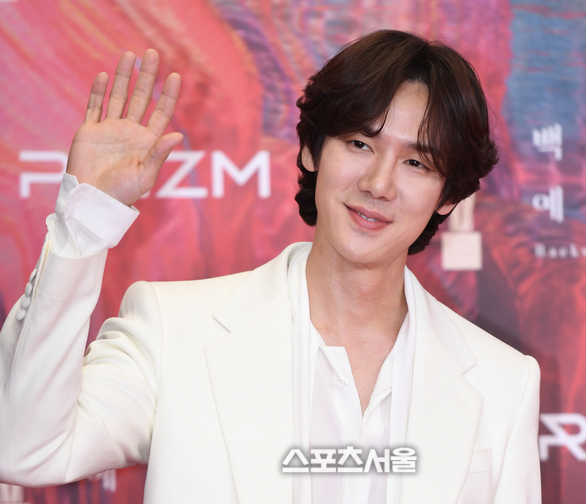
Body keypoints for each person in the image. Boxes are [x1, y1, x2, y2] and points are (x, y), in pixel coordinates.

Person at [0, 30, 541, 504]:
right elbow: (24, 448)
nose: (379, 183)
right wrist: (84, 222)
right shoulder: (174, 332)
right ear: (311, 150)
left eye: (416, 162)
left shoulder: (503, 383)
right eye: (359, 143)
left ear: (448, 196)